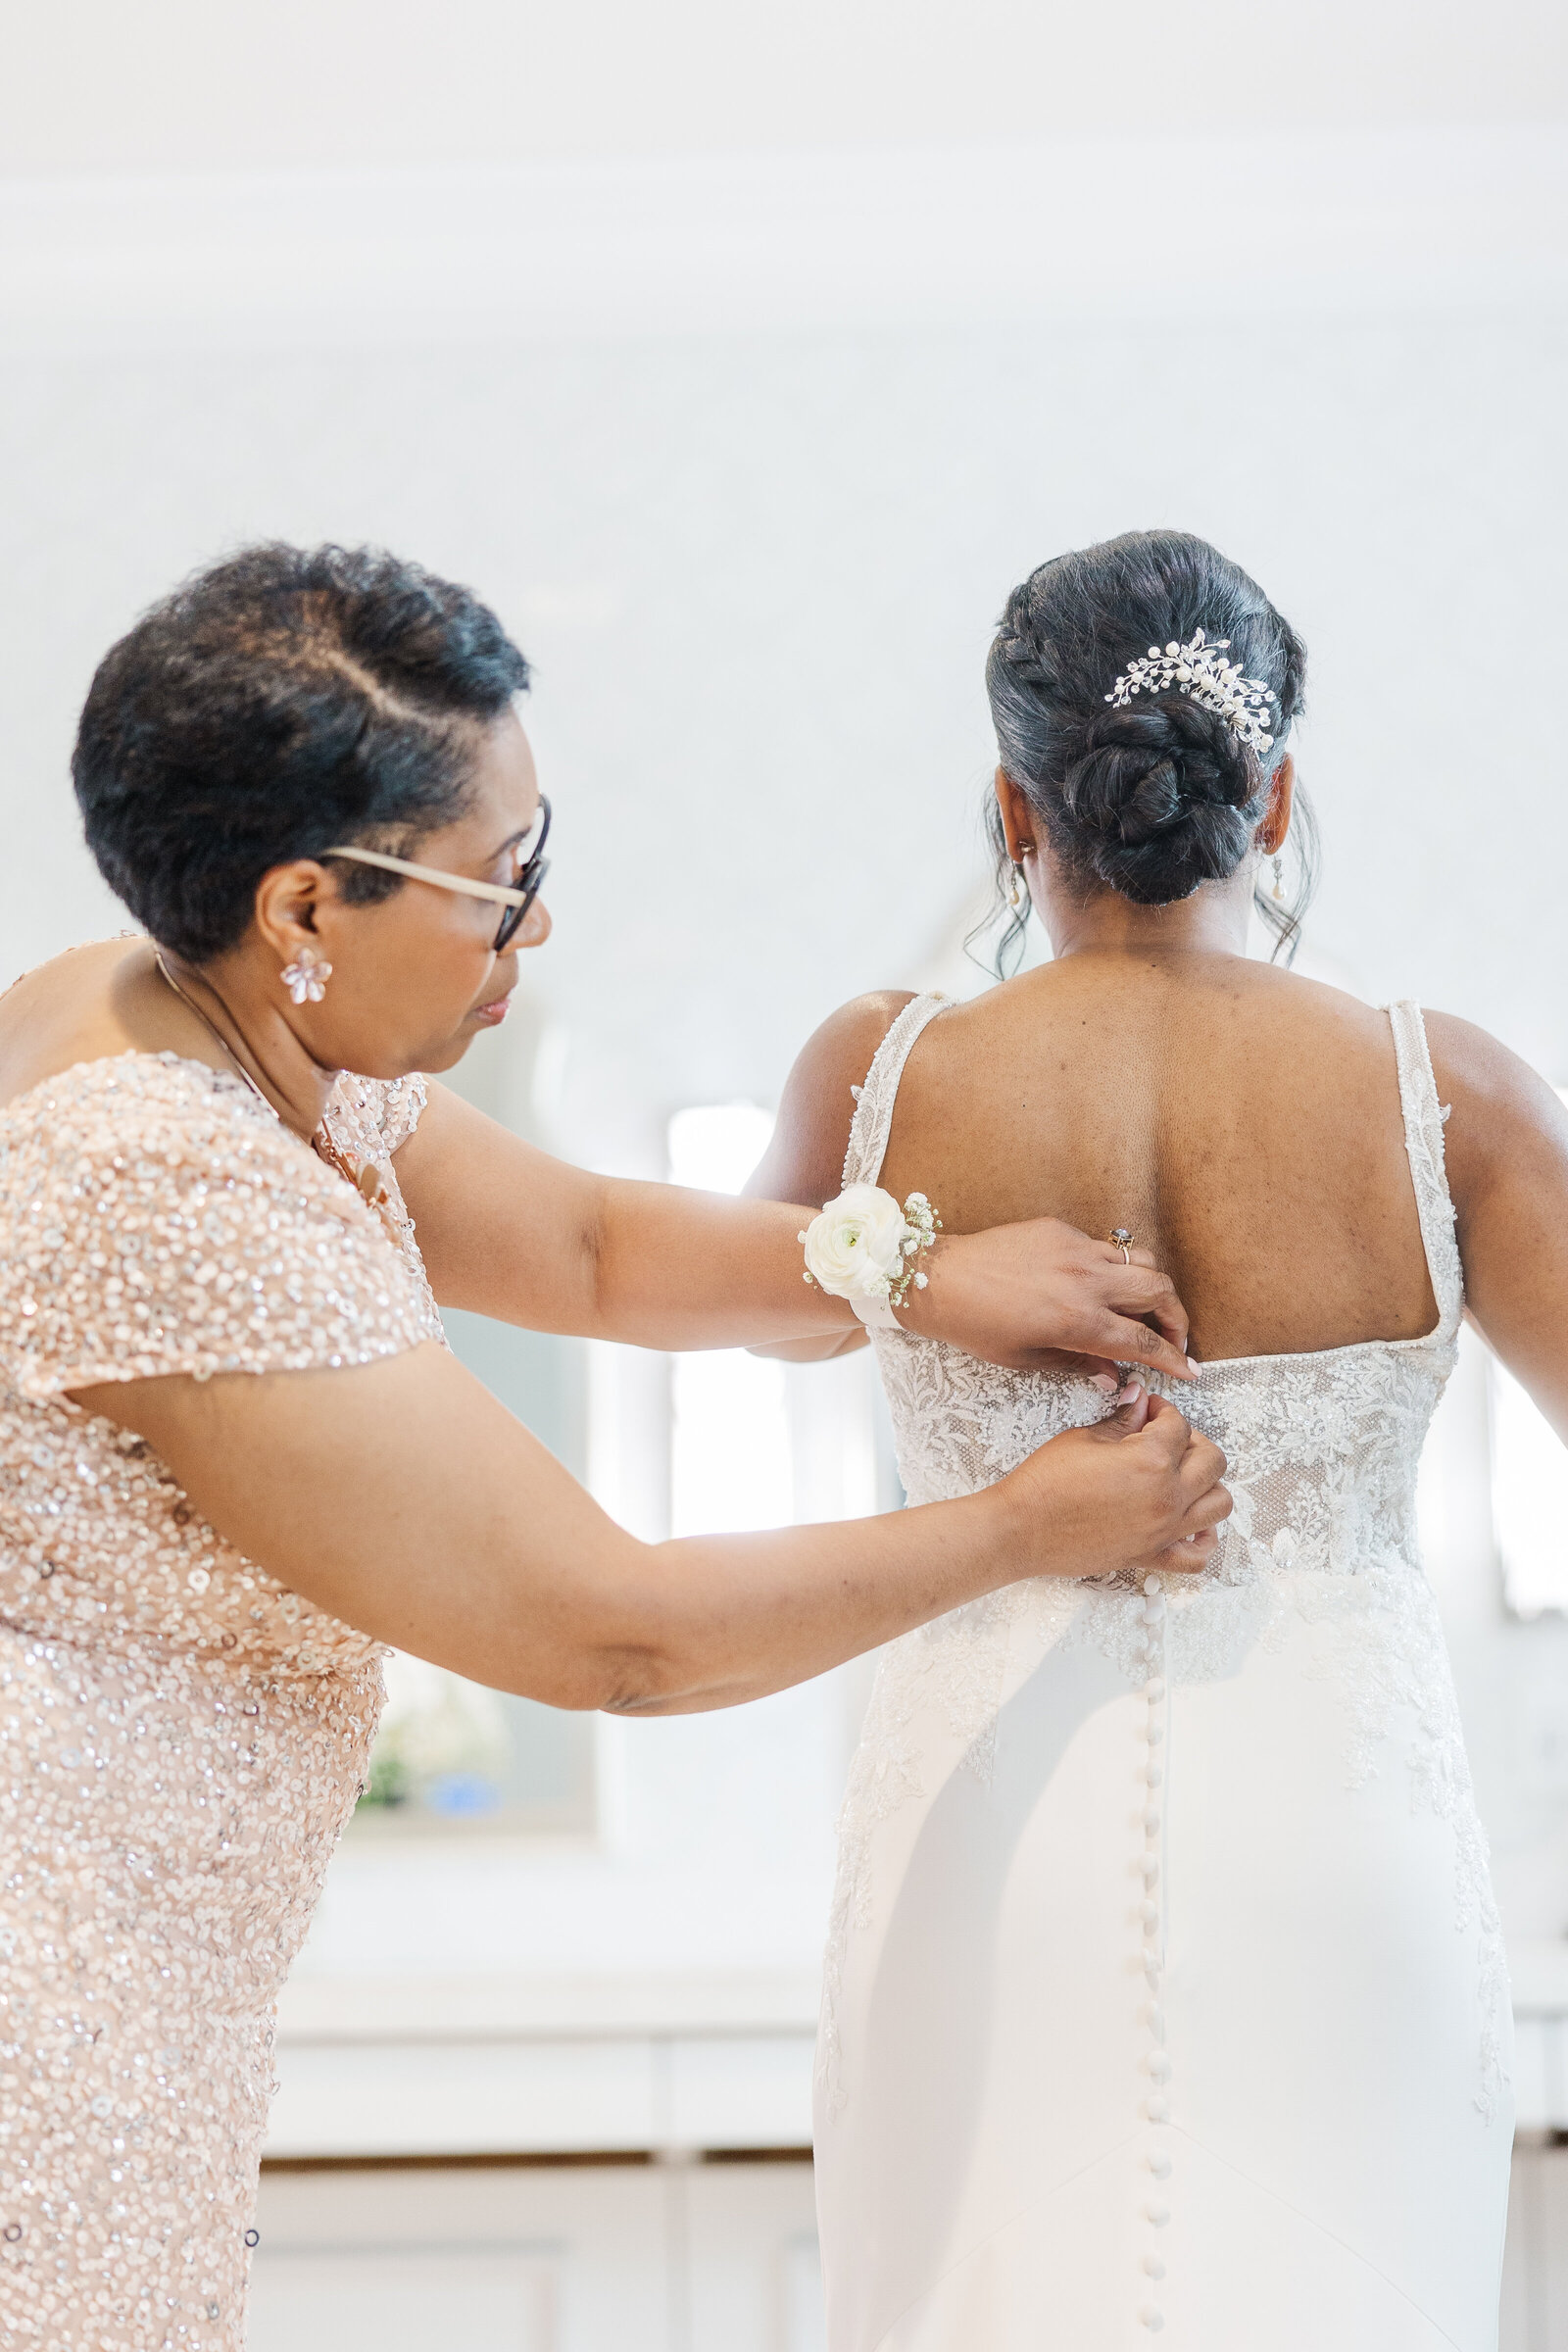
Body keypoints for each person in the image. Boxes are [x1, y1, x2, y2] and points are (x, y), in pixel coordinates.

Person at [0, 543, 1229, 2352]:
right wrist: (1023, 1525)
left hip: (138, 1987)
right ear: (304, 908)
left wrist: (917, 1276)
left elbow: (585, 1244)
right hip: (62, 2023)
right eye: (507, 884)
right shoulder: (157, 1179)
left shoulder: (209, 1015)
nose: (539, 930)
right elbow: (612, 1633)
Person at [753, 528, 1568, 2350]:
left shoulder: (881, 1073)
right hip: (1340, 1839)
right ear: (1272, 803)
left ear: (1010, 808)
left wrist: (911, 1261)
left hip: (984, 1823)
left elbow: (748, 1306)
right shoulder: (1453, 1095)